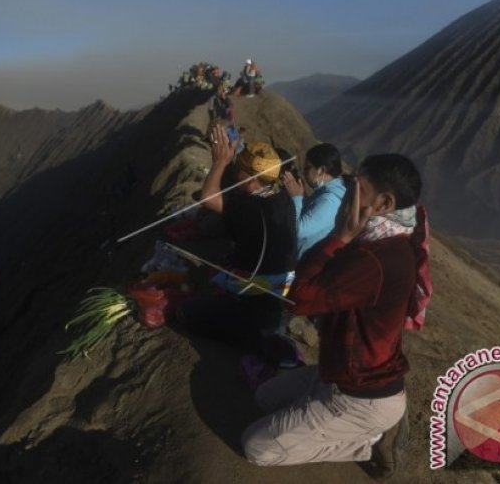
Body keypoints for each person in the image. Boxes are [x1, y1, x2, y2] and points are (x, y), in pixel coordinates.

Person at [242, 154, 427, 480]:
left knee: (257, 447)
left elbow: (299, 300)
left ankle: (367, 442)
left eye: (357, 187)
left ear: (384, 203)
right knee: (264, 398)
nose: (346, 192)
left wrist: (337, 237)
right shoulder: (381, 238)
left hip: (361, 395)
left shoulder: (374, 258)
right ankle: (347, 424)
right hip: (337, 372)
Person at [177, 126, 297, 356]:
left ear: (252, 180)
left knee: (185, 312)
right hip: (277, 291)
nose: (233, 173)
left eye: (238, 169)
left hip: (256, 302)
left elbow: (208, 198)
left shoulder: (252, 208)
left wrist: (219, 163)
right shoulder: (281, 197)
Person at [282, 143, 346, 258]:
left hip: (299, 266)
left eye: (307, 168)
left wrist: (296, 198)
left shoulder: (330, 200)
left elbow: (299, 231)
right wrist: (302, 198)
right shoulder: (325, 191)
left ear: (321, 170)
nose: (304, 173)